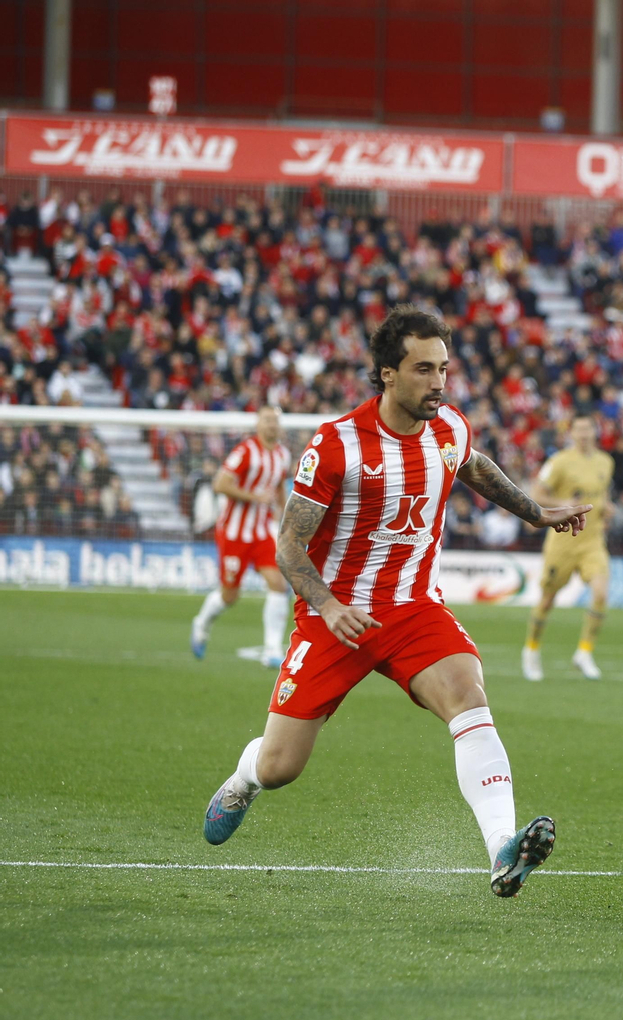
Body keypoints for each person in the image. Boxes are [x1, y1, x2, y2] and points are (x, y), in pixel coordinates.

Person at [201, 306, 590, 899]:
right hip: (335, 619)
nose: (438, 382)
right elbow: (289, 546)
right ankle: (242, 781)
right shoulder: (336, 446)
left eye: (443, 369)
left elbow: (474, 466)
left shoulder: (449, 427)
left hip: (413, 609)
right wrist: (330, 608)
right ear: (387, 373)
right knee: (281, 767)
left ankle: (503, 850)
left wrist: (534, 512)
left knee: (468, 693)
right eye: (422, 369)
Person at [190, 406, 292, 666]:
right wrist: (255, 497)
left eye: (275, 421)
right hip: (234, 533)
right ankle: (201, 622)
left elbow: (279, 486)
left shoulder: (282, 455)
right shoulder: (245, 451)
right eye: (267, 420)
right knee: (229, 596)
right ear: (258, 424)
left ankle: (271, 649)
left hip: (260, 532)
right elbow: (220, 484)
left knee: (279, 584)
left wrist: (285, 517)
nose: (271, 425)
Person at [522, 415, 614, 681]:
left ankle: (584, 652)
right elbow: (537, 493)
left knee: (600, 592)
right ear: (571, 432)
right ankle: (531, 650)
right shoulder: (559, 462)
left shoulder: (605, 462)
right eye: (579, 429)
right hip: (562, 542)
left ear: (595, 431)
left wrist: (607, 508)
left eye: (588, 428)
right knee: (547, 600)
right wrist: (562, 501)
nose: (584, 433)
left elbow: (603, 494)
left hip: (592, 541)